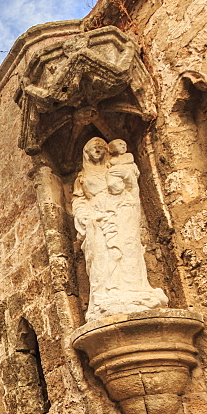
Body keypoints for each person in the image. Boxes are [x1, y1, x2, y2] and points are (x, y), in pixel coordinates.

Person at [73, 137, 168, 321]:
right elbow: (78, 200)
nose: (98, 150)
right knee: (102, 255)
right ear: (86, 152)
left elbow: (130, 183)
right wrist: (84, 216)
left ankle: (133, 289)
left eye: (101, 146)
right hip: (97, 219)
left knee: (127, 248)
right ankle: (107, 295)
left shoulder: (114, 168)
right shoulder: (82, 178)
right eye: (94, 147)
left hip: (121, 211)